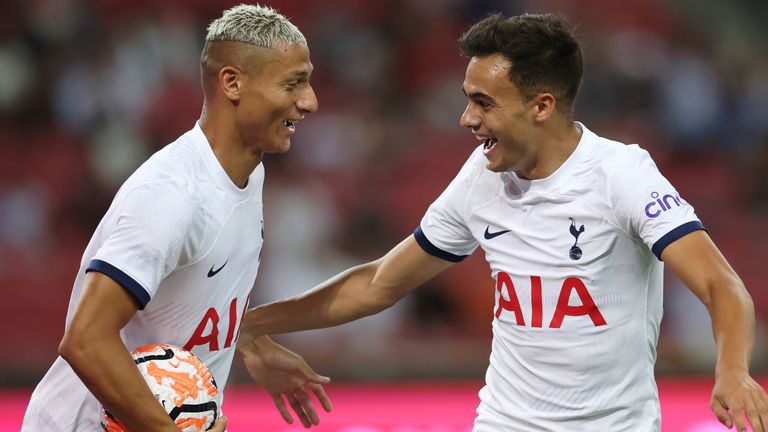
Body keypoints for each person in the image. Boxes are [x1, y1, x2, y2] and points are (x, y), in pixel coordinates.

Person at [238, 13, 768, 431]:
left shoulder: (620, 174)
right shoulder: (482, 178)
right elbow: (378, 283)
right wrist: (251, 324)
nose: (467, 119)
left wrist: (732, 371)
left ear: (541, 105)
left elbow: (723, 286)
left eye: (483, 103)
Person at [22, 5, 332, 431]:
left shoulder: (248, 174)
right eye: (293, 83)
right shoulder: (171, 195)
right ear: (233, 83)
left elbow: (188, 299)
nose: (309, 101)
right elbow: (85, 339)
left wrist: (249, 342)